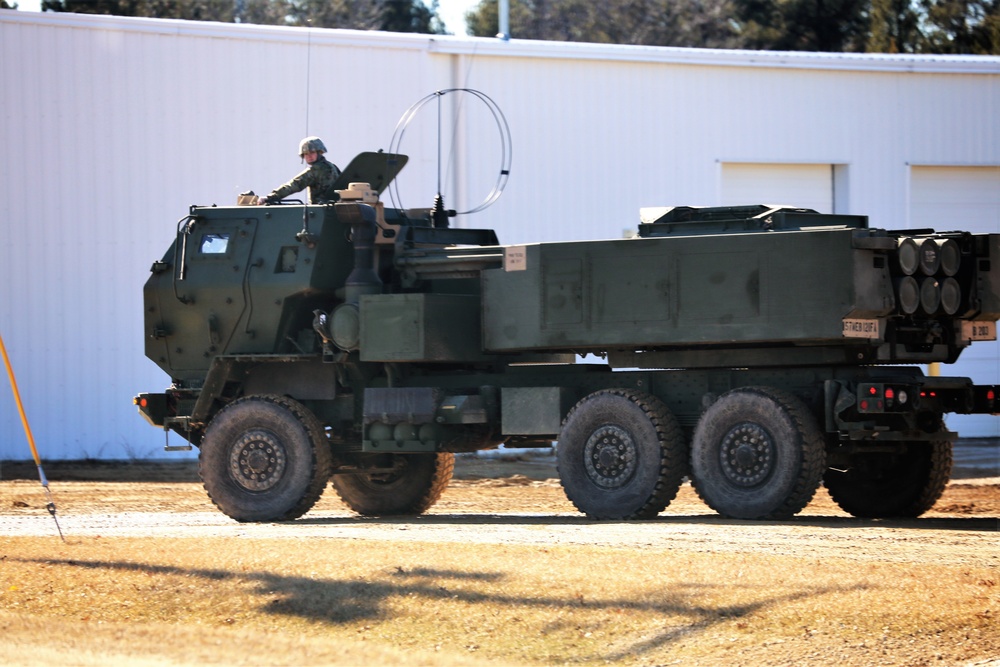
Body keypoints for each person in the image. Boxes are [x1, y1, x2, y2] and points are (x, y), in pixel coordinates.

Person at [260, 136, 342, 205]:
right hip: (332, 209)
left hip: (321, 212)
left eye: (312, 152)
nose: (309, 156)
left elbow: (295, 185)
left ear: (319, 152)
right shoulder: (332, 166)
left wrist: (270, 197)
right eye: (306, 154)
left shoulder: (315, 169)